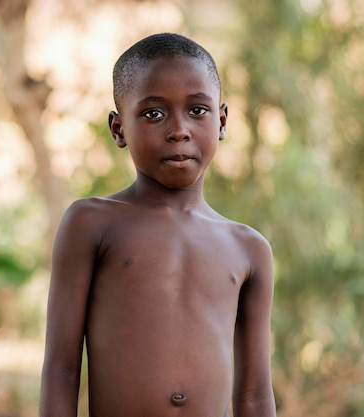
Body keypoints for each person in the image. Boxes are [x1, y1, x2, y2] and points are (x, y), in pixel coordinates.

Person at [39, 33, 276, 417]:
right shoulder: (91, 224)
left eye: (198, 110)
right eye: (153, 113)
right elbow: (62, 370)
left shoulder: (248, 249)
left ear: (222, 120)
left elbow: (255, 396)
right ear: (118, 129)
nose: (178, 130)